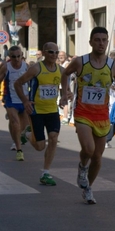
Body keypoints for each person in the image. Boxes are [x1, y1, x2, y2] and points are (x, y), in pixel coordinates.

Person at [60, 27, 115, 204]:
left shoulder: (113, 66)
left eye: (104, 40)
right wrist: (64, 93)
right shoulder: (80, 62)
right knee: (88, 149)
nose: (101, 43)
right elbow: (64, 74)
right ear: (90, 42)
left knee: (97, 157)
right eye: (97, 40)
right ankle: (82, 168)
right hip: (82, 113)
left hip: (102, 116)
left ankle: (88, 188)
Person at [14, 43, 65, 185]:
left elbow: (64, 86)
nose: (54, 55)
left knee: (53, 138)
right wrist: (25, 101)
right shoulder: (36, 68)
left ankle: (45, 173)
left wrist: (67, 94)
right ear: (44, 53)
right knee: (40, 146)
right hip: (36, 111)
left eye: (56, 52)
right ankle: (28, 134)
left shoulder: (61, 70)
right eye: (51, 52)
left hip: (52, 110)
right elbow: (18, 83)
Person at [0, 45, 30, 161]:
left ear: (22, 56)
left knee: (24, 126)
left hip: (24, 99)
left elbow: (33, 81)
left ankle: (16, 138)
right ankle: (19, 149)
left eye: (19, 56)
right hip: (11, 99)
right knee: (15, 123)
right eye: (13, 57)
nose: (17, 59)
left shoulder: (26, 67)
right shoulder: (6, 67)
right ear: (9, 57)